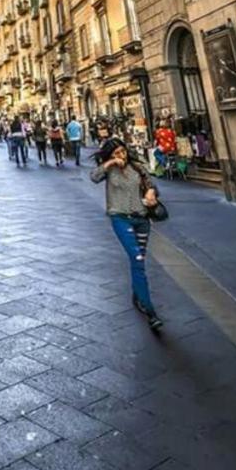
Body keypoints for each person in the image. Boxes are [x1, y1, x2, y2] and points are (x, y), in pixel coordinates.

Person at [90, 139, 163, 330]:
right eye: (116, 153)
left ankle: (138, 295)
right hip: (121, 219)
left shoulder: (137, 167)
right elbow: (94, 177)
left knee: (139, 260)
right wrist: (110, 163)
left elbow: (151, 184)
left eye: (122, 151)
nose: (121, 156)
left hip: (142, 220)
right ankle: (150, 311)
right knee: (137, 258)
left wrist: (151, 193)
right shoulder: (109, 170)